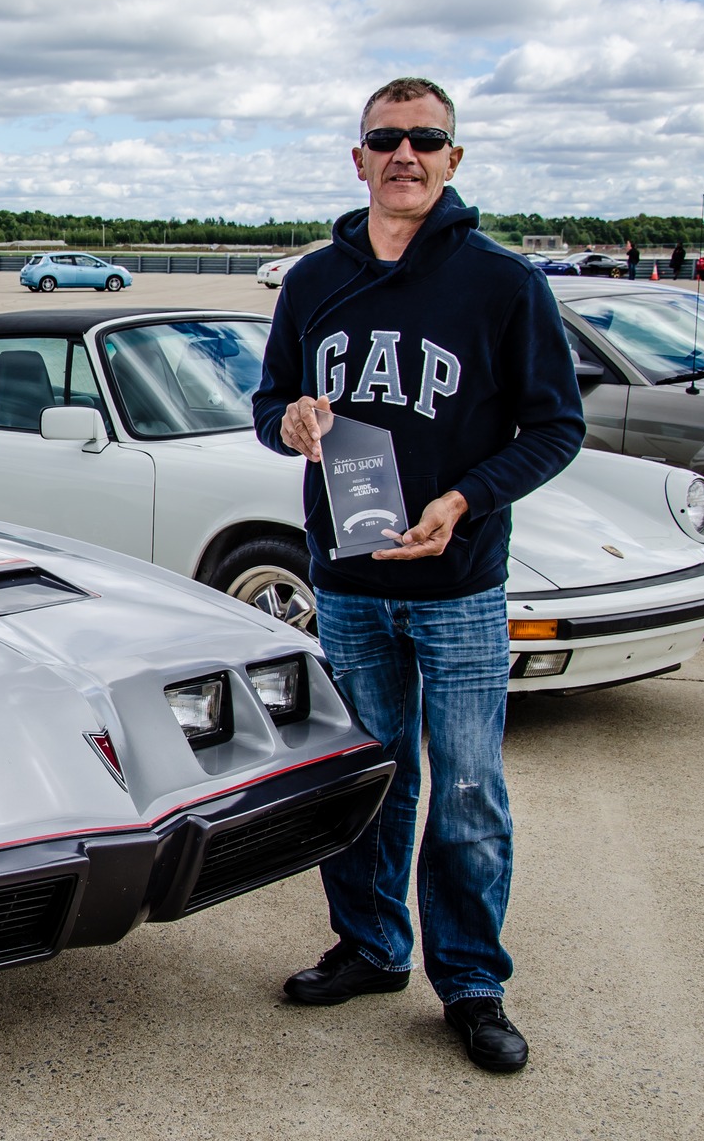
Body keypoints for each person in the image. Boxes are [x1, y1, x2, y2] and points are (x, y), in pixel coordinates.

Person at [252, 77, 584, 1075]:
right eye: (384, 139)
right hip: (349, 585)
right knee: (370, 780)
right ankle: (371, 946)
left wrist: (464, 501)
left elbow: (557, 426)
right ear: (358, 159)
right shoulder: (314, 281)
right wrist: (291, 423)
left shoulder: (503, 282)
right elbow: (268, 402)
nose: (405, 155)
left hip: (462, 586)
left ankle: (474, 983)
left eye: (425, 139)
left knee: (470, 789)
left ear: (453, 158)